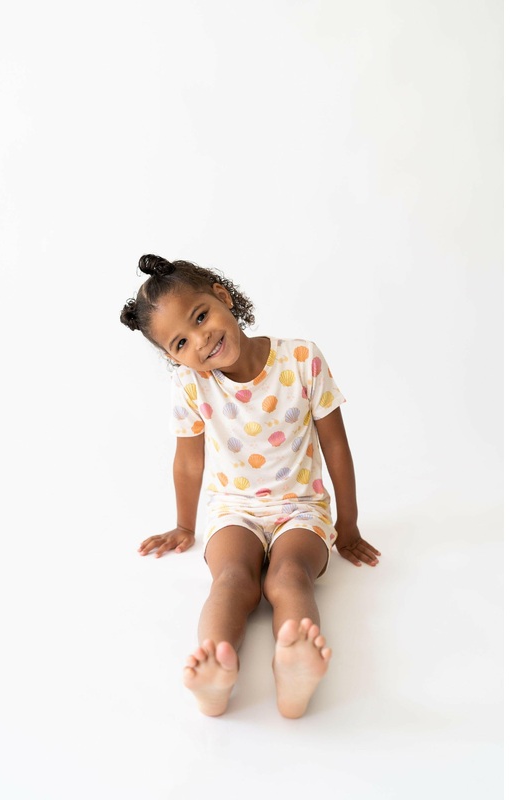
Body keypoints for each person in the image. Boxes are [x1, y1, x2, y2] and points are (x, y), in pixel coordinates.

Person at [120, 254, 380, 718]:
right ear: (173, 358)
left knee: (289, 575)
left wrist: (349, 524)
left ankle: (294, 669)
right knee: (233, 579)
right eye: (181, 342)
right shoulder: (191, 385)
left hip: (301, 509)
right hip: (233, 511)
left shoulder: (301, 359)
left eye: (201, 317)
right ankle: (215, 670)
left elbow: (336, 447)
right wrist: (184, 526)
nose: (201, 339)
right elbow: (188, 462)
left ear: (222, 297)